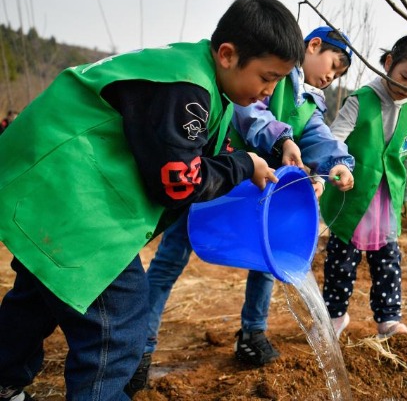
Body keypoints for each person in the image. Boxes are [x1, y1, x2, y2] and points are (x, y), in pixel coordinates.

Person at [0, 0, 306, 401]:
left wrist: (249, 162)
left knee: (40, 292)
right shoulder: (187, 89)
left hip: (52, 189)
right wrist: (241, 166)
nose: (269, 91)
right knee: (119, 325)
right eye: (267, 77)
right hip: (73, 198)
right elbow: (177, 182)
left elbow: (186, 153)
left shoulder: (198, 77)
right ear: (229, 55)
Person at [131, 27, 356, 393]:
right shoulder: (271, 75)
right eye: (334, 64)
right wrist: (283, 139)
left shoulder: (310, 102)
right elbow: (251, 112)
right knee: (171, 256)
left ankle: (252, 334)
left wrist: (339, 163)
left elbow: (319, 137)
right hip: (211, 176)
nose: (332, 75)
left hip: (258, 191)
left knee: (268, 263)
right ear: (312, 46)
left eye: (340, 74)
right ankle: (140, 349)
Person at [320, 34, 407, 339]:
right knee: (341, 258)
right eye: (404, 77)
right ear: (388, 63)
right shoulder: (362, 99)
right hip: (354, 195)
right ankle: (334, 315)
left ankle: (388, 318)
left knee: (388, 259)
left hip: (386, 199)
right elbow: (336, 137)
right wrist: (330, 168)